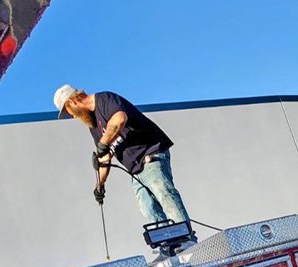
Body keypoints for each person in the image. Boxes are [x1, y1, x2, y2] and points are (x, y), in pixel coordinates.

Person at [53, 85, 193, 233]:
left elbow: (120, 118)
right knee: (148, 207)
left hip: (150, 155)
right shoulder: (93, 126)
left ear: (73, 101)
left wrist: (103, 142)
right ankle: (168, 245)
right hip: (135, 170)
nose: (72, 116)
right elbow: (105, 155)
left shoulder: (104, 99)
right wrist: (100, 185)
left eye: (68, 111)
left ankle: (186, 238)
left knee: (165, 195)